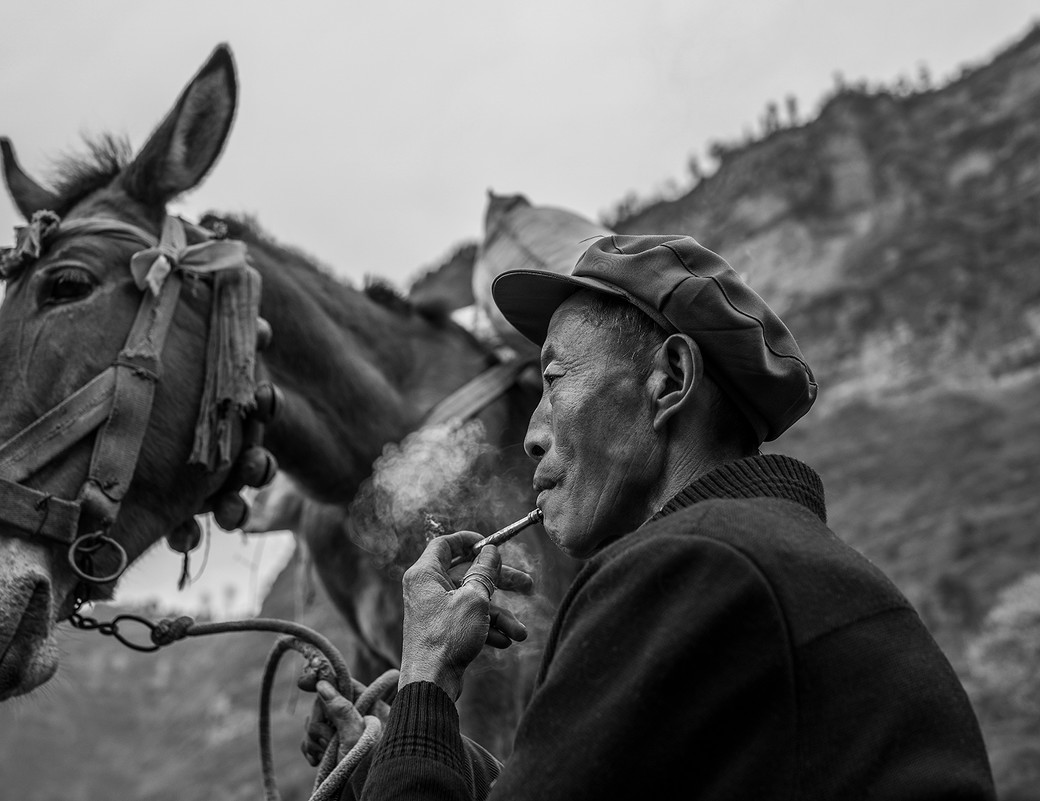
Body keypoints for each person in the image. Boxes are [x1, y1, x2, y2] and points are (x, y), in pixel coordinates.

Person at [308, 235, 995, 799]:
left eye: (553, 380)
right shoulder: (772, 566)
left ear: (669, 377)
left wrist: (426, 674)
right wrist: (410, 743)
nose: (532, 434)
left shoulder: (690, 567)